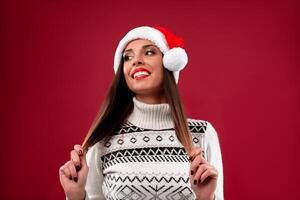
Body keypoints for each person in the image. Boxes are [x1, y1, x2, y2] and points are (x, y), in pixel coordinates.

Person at [59, 25, 224, 200]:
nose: (136, 60)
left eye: (149, 52)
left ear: (168, 62)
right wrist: (75, 195)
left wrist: (206, 197)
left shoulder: (202, 134)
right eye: (127, 57)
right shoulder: (103, 138)